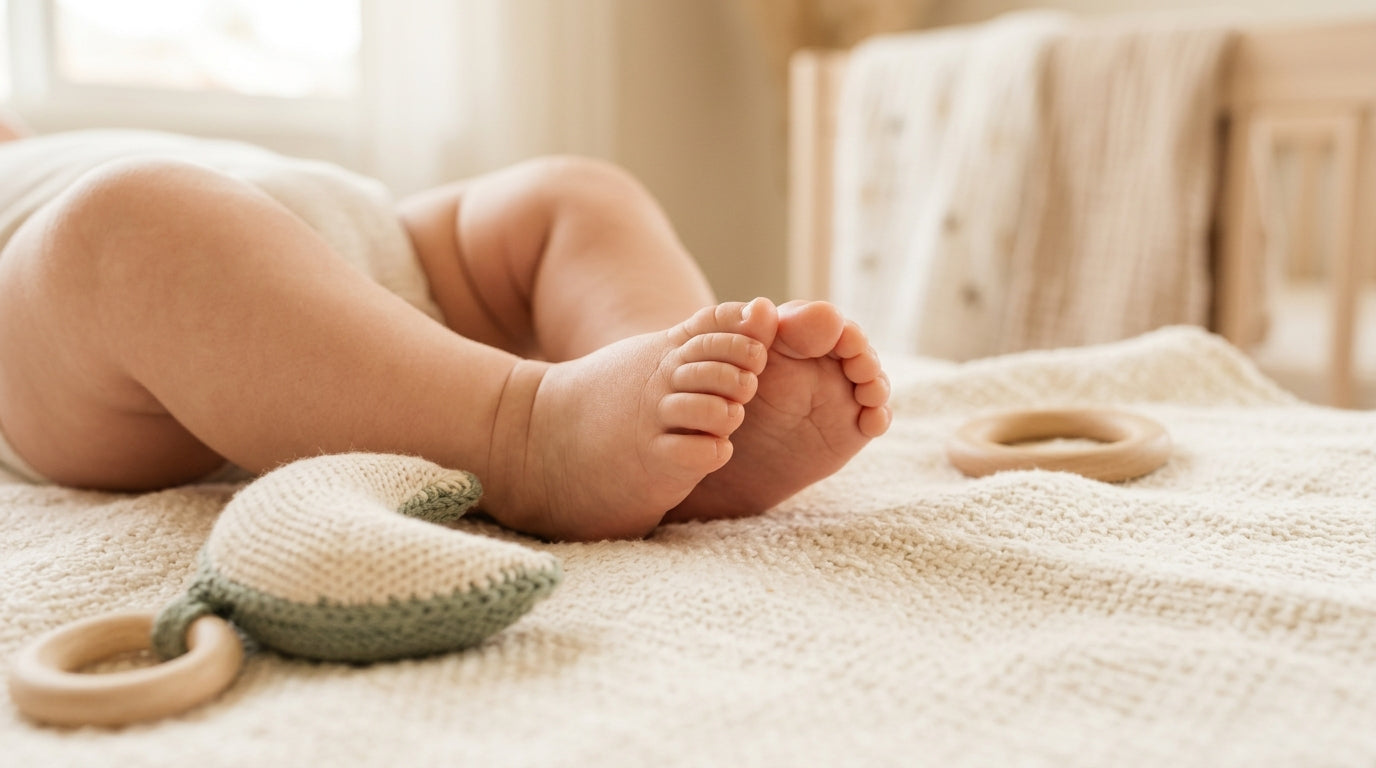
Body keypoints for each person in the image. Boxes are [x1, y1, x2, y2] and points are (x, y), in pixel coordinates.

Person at [0, 115, 890, 542]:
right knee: (128, 225)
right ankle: (527, 432)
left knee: (572, 196)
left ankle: (660, 387)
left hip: (358, 242)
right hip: (85, 356)